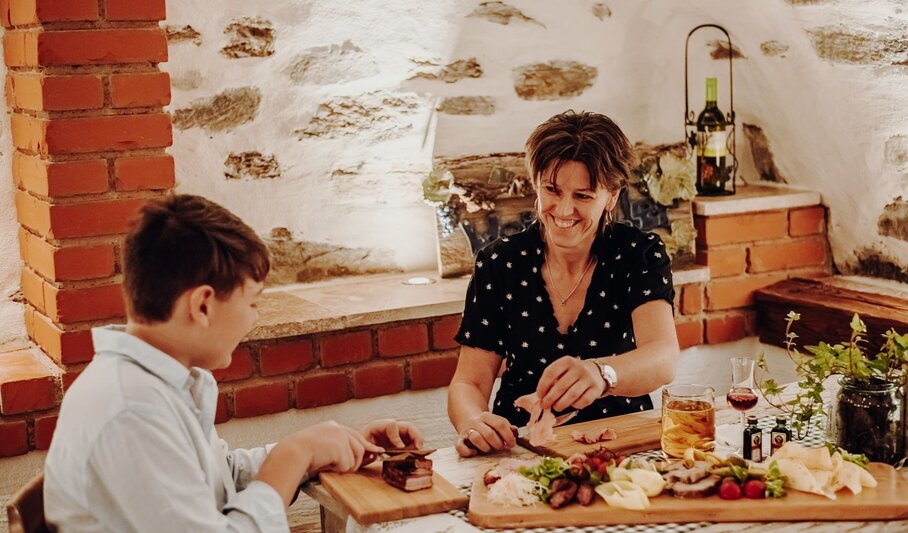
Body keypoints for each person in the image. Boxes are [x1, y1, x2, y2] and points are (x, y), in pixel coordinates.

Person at [44, 194, 422, 532]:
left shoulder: (162, 381)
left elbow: (220, 478)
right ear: (203, 305)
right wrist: (294, 455)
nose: (254, 318)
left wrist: (331, 445)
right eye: (253, 302)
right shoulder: (132, 410)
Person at [447, 110, 680, 457]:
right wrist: (474, 421)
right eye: (552, 190)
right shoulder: (499, 263)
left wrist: (602, 374)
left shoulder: (638, 253)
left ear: (611, 196)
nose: (564, 209)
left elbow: (663, 358)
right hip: (522, 448)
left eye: (583, 196)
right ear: (535, 183)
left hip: (621, 445)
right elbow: (470, 382)